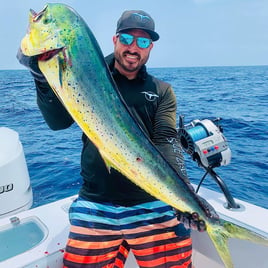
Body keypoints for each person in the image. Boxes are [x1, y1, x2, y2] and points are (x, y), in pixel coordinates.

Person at [17, 9, 208, 268]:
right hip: (96, 201)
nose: (134, 47)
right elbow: (58, 123)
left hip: (151, 201)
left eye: (142, 42)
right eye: (128, 38)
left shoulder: (161, 91)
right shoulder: (85, 72)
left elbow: (167, 140)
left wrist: (184, 195)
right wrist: (41, 77)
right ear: (115, 39)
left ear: (150, 47)